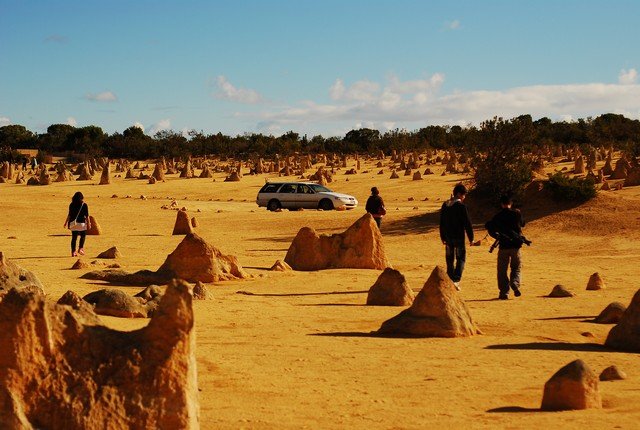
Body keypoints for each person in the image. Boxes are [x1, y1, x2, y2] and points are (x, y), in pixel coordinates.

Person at [486, 194, 526, 300]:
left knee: (502, 270)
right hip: (516, 246)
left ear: (501, 204)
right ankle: (515, 283)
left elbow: (490, 228)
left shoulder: (498, 216)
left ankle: (504, 292)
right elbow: (523, 224)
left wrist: (497, 236)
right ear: (511, 203)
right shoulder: (516, 213)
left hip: (503, 246)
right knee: (516, 267)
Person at [439, 184, 474, 290]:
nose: (464, 197)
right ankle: (456, 280)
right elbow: (467, 223)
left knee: (449, 258)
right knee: (460, 258)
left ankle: (450, 278)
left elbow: (441, 222)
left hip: (448, 237)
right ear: (459, 194)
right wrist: (471, 238)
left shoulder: (445, 205)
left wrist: (442, 236)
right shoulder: (461, 207)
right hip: (458, 237)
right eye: (464, 195)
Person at [63, 192, 91, 257]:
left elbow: (69, 215)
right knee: (83, 236)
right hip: (81, 224)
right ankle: (81, 248)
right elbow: (87, 216)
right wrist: (89, 223)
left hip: (73, 223)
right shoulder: (84, 205)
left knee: (74, 238)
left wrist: (66, 223)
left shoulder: (71, 204)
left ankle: (73, 252)